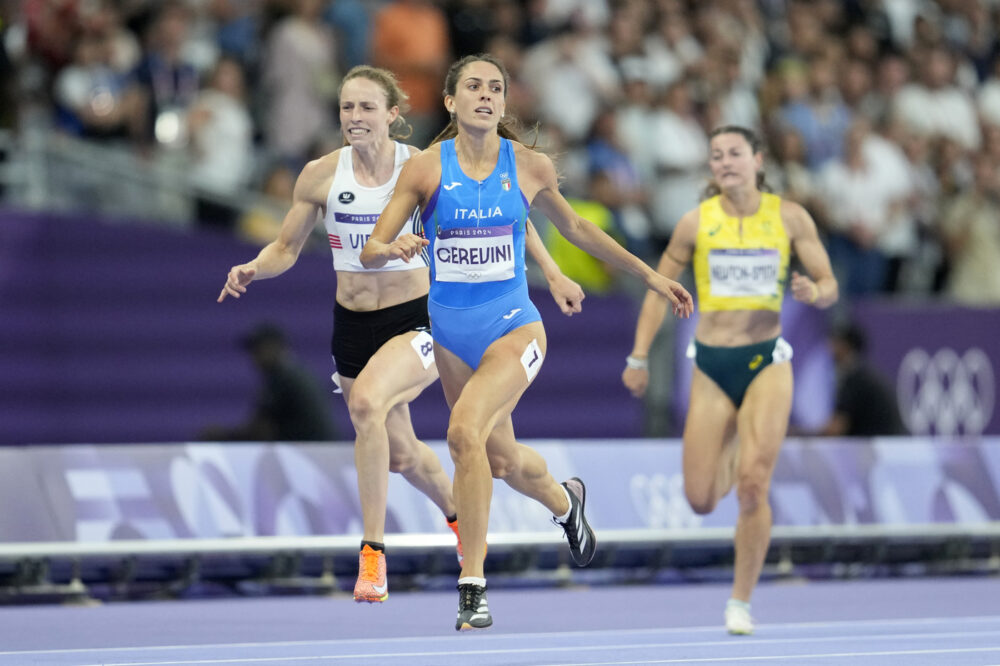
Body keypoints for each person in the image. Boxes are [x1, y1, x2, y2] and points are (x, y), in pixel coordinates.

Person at [218, 64, 585, 605]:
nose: (354, 117)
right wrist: (254, 265)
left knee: (365, 404)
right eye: (346, 107)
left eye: (366, 107)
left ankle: (372, 557)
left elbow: (511, 213)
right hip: (352, 325)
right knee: (405, 455)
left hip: (417, 316)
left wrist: (551, 271)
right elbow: (286, 248)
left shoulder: (426, 165)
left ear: (393, 115)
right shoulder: (320, 174)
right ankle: (476, 514)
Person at [360, 54, 693, 631]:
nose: (485, 96)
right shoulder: (426, 171)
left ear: (505, 103)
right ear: (450, 101)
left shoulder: (529, 166)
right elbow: (371, 247)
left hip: (514, 327)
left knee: (462, 433)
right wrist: (393, 249)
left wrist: (650, 276)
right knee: (502, 459)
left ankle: (472, 585)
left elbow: (579, 228)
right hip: (450, 334)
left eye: (495, 88)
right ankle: (567, 503)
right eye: (473, 87)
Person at [622, 125, 838, 636]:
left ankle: (740, 601)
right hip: (712, 365)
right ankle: (743, 442)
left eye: (735, 153)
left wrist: (815, 290)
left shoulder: (789, 217)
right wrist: (637, 355)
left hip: (767, 361)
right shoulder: (696, 224)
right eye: (716, 155)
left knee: (753, 485)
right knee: (699, 497)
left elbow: (829, 283)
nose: (725, 162)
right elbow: (658, 290)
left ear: (758, 160)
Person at [200, 322, 339, 443]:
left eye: (258, 349)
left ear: (275, 347)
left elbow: (261, 431)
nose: (254, 358)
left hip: (307, 456)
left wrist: (222, 437)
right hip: (316, 452)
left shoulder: (283, 378)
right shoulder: (295, 372)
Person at [820, 322, 906, 437]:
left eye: (835, 343)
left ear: (846, 346)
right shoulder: (863, 375)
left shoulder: (856, 380)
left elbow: (835, 429)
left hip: (882, 448)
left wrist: (800, 435)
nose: (830, 347)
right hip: (886, 444)